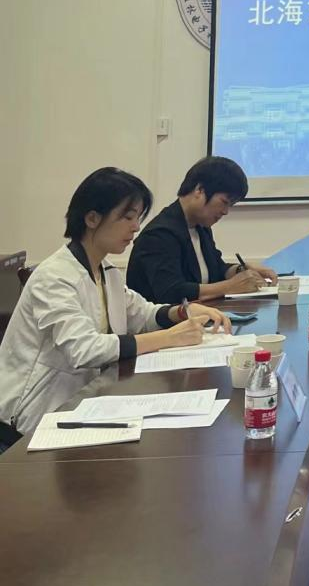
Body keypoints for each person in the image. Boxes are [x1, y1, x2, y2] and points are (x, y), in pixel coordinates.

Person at [0, 168, 229, 439]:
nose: (136, 227)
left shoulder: (105, 270)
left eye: (138, 218)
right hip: (28, 422)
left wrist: (181, 311)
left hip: (81, 405)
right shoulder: (54, 277)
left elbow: (142, 314)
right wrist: (169, 338)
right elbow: (84, 349)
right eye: (128, 217)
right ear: (92, 218)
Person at [127, 156, 276, 303]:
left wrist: (241, 271)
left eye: (230, 205)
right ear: (199, 190)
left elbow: (217, 269)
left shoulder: (201, 227)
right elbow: (171, 291)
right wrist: (230, 287)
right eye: (224, 202)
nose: (225, 212)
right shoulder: (159, 235)